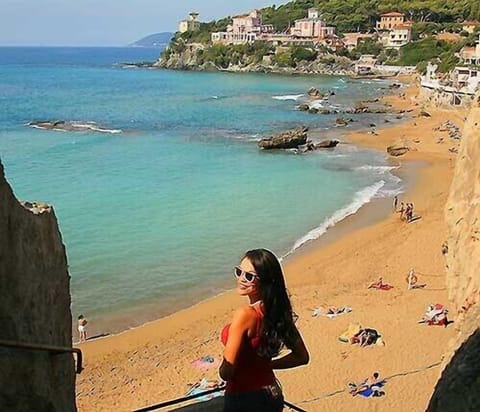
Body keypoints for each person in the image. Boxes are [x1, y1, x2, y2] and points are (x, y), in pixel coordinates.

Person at [219, 249, 309, 412]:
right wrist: (267, 365)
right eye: (239, 272)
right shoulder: (278, 312)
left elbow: (226, 372)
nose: (241, 279)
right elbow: (301, 357)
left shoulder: (245, 315)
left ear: (265, 281)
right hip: (271, 394)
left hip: (244, 398)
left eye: (249, 276)